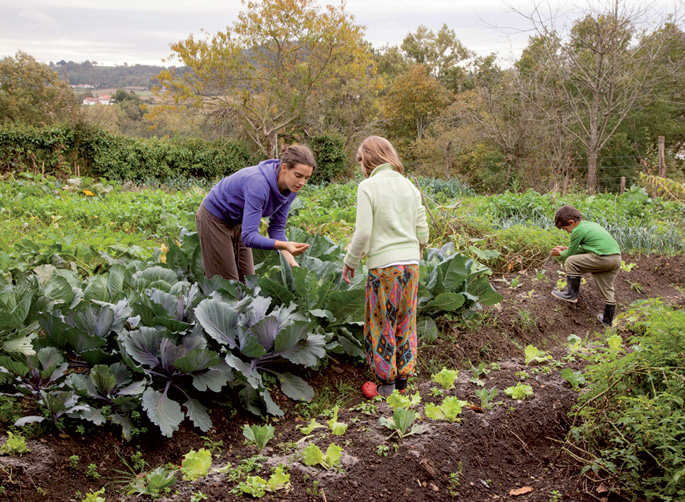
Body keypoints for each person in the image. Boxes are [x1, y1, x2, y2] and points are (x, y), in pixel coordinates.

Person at [342, 136, 429, 398]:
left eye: (360, 161)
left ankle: (386, 385)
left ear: (368, 159)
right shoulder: (409, 187)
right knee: (406, 320)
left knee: (382, 322)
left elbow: (363, 232)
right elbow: (422, 229)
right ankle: (402, 382)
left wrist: (350, 261)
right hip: (411, 265)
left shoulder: (368, 187)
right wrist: (418, 248)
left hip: (384, 267)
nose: (360, 167)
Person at [195, 144, 316, 282]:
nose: (302, 182)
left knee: (248, 280)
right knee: (227, 284)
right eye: (298, 175)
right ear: (284, 168)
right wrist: (283, 245)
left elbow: (276, 228)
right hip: (214, 218)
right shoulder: (258, 184)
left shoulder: (291, 190)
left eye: (306, 178)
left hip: (239, 221)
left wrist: (290, 260)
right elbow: (249, 237)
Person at [550, 205, 621, 327]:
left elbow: (569, 255)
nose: (567, 231)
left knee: (571, 261)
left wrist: (560, 253)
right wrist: (566, 248)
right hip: (615, 258)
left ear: (571, 222)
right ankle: (607, 321)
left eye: (565, 229)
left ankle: (571, 294)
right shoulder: (589, 225)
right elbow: (585, 248)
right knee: (607, 287)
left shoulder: (577, 230)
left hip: (602, 258)